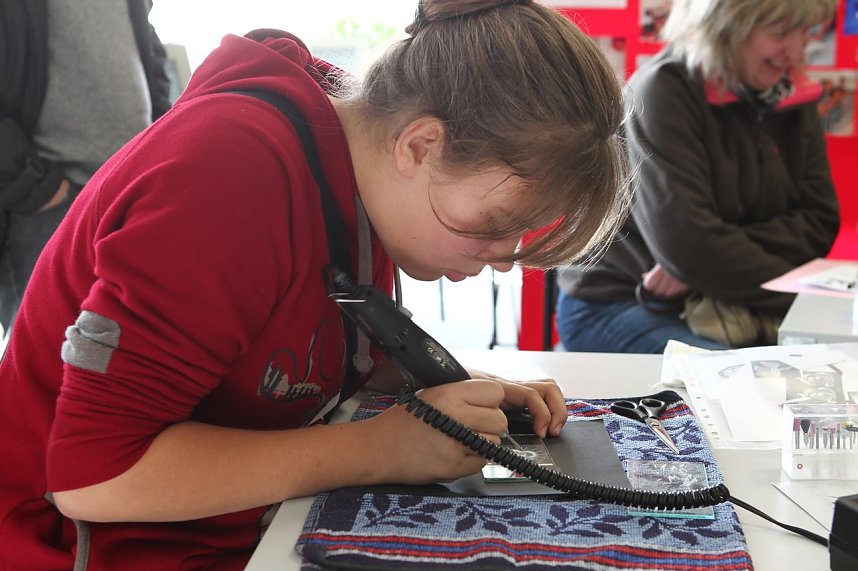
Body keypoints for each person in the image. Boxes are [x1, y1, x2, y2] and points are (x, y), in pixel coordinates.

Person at [0, 0, 632, 568]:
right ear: (420, 146)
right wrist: (378, 450)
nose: (504, 259)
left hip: (228, 522)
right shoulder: (227, 180)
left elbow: (312, 341)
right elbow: (95, 477)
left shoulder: (354, 164)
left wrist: (448, 384)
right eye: (496, 226)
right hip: (76, 542)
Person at [556, 0, 840, 354]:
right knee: (737, 379)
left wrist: (702, 265)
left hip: (728, 301)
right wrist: (701, 261)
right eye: (780, 33)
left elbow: (820, 222)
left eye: (806, 33)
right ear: (725, 27)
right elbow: (688, 243)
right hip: (620, 302)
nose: (797, 52)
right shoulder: (663, 89)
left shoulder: (791, 95)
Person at [0, 0, 171, 338]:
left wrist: (164, 140)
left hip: (136, 189)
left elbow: (147, 50)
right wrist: (36, 185)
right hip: (47, 205)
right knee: (49, 359)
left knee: (144, 350)